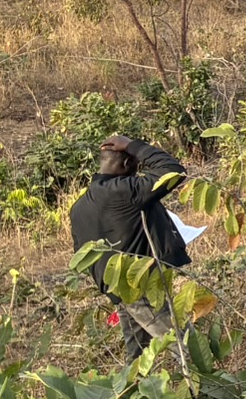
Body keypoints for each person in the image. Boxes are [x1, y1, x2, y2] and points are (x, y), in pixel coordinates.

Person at [68, 132, 191, 359]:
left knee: (138, 359)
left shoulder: (79, 207)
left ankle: (133, 394)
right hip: (140, 286)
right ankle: (206, 392)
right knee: (186, 347)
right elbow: (173, 171)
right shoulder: (124, 191)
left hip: (119, 288)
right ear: (127, 163)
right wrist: (133, 145)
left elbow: (83, 255)